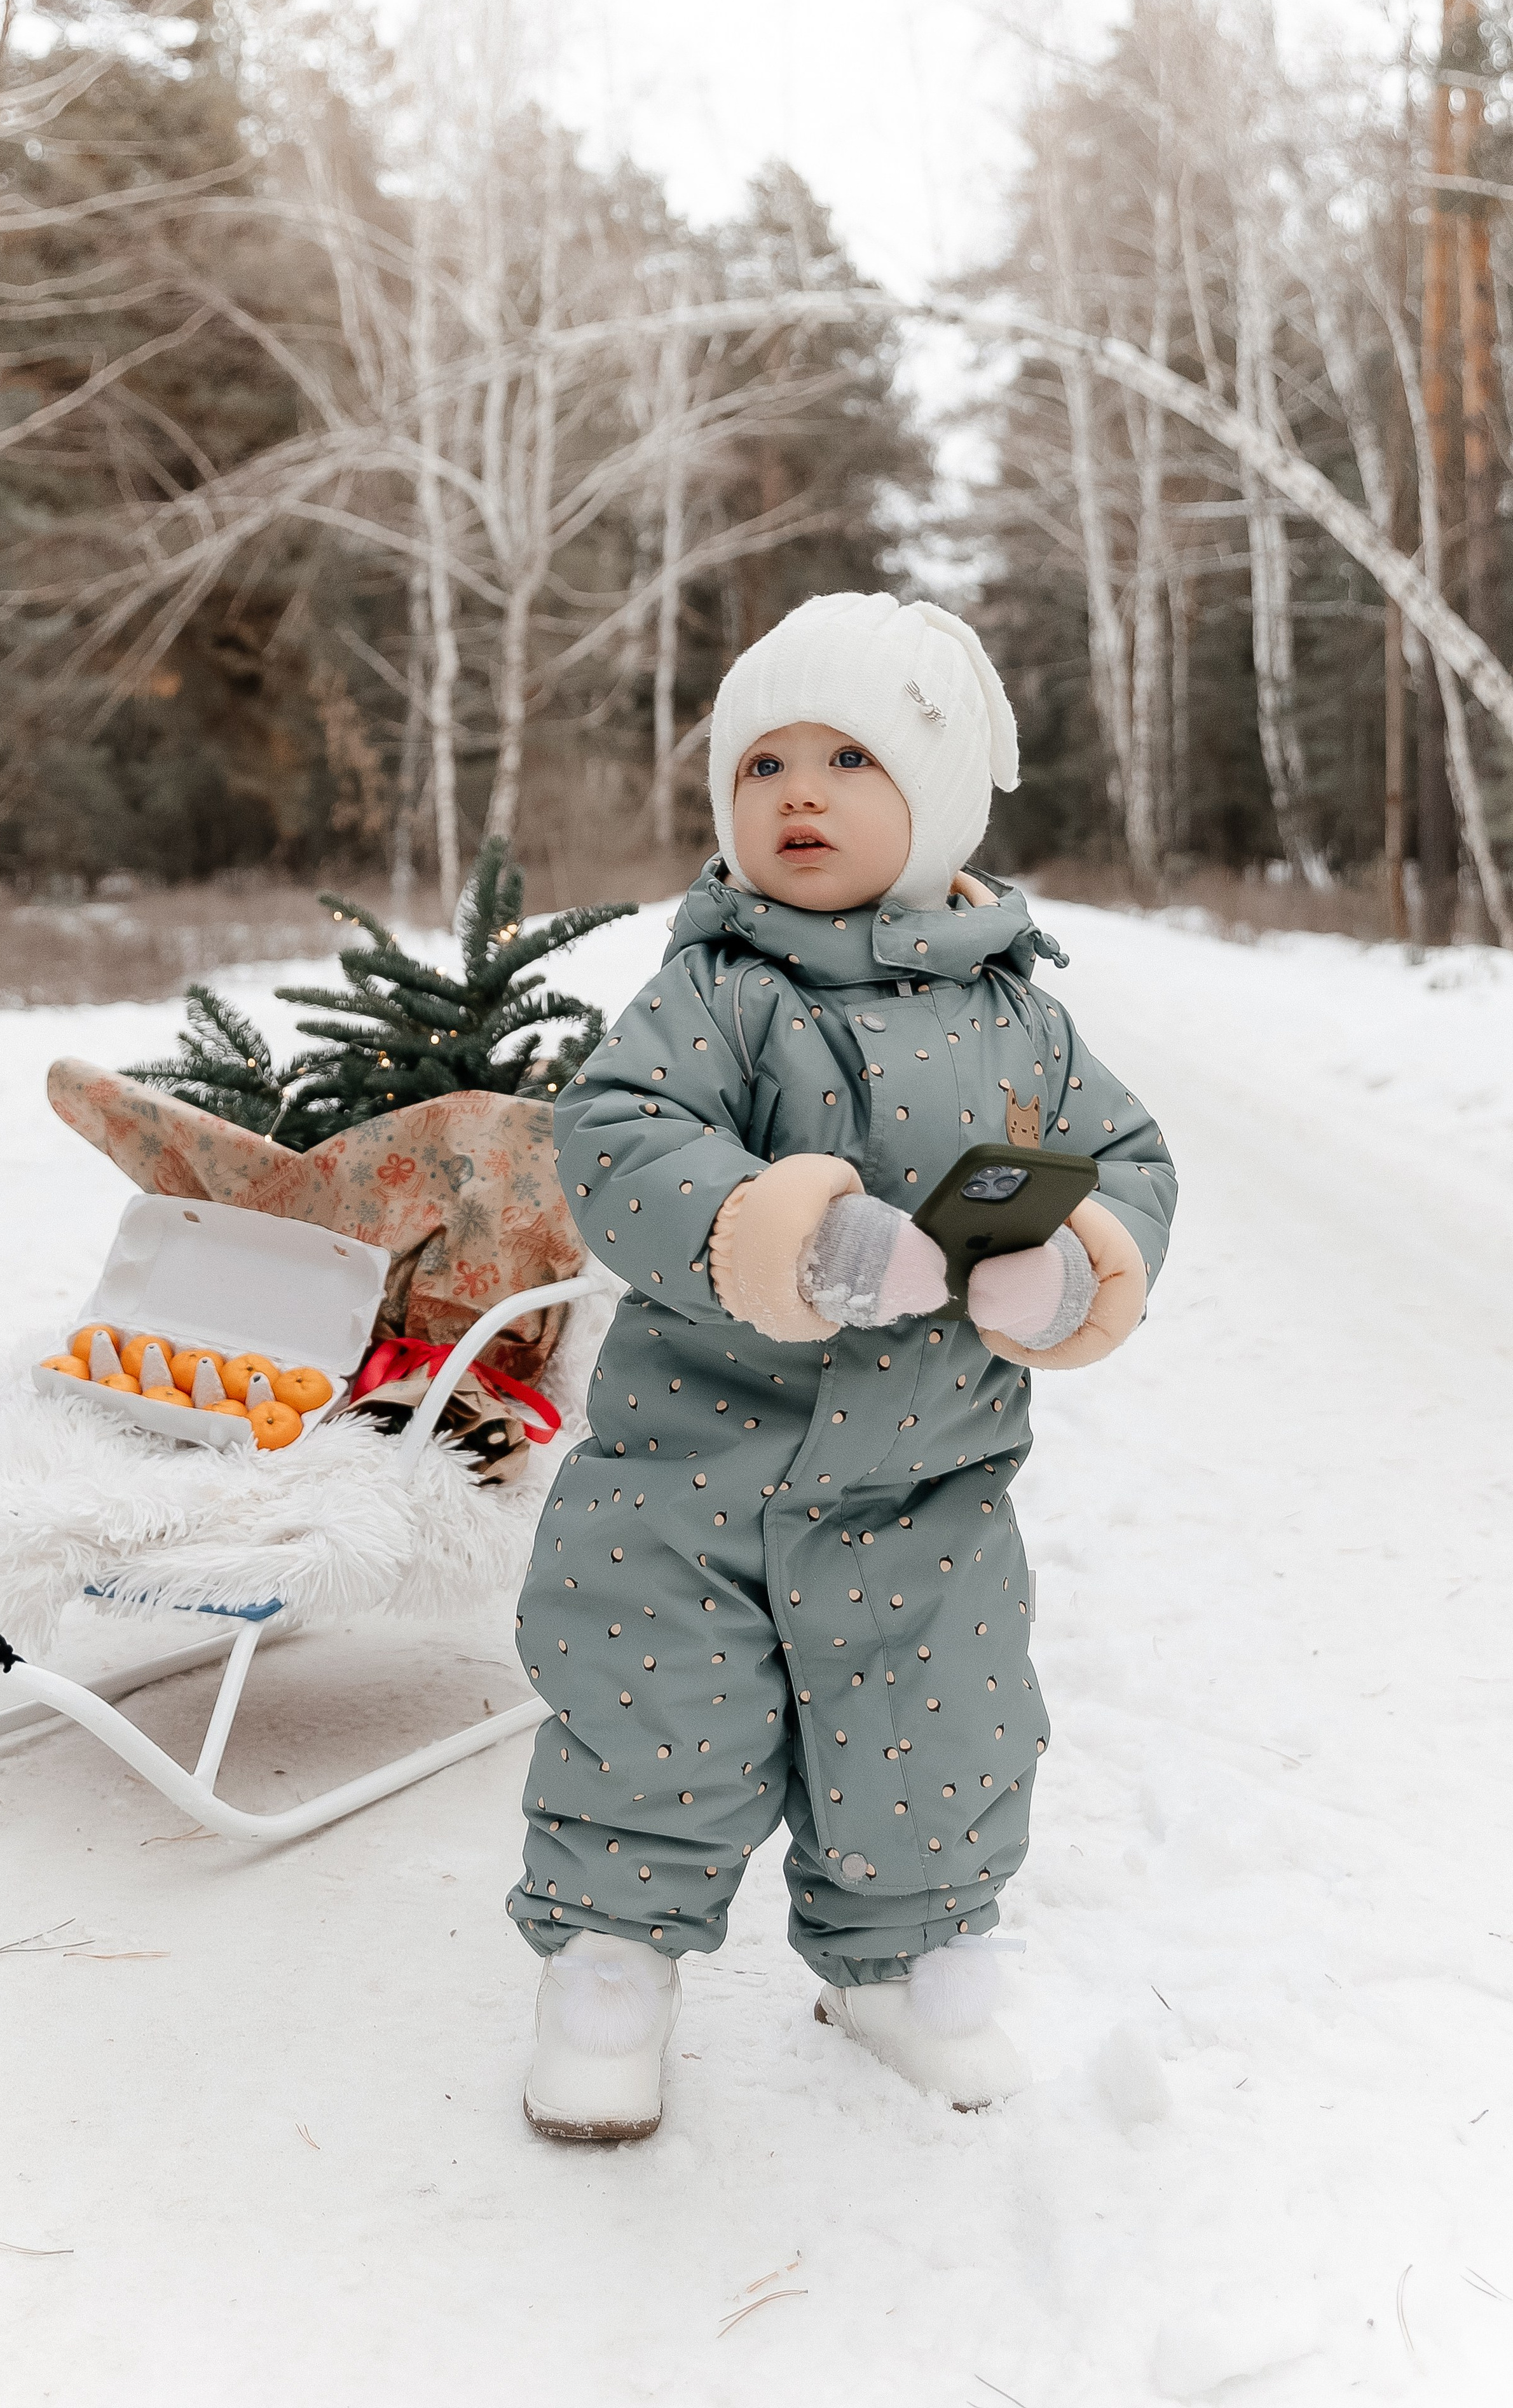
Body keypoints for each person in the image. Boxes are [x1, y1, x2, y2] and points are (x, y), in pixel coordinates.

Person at [508, 592, 1177, 2139]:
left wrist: (1069, 1265)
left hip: (926, 1478)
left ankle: (900, 1962)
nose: (795, 795)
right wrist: (784, 1233)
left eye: (847, 758)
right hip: (692, 1467)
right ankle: (608, 1971)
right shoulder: (716, 991)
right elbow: (614, 1141)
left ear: (936, 803)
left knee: (935, 1724)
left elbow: (1125, 1164)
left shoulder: (1029, 1024)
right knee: (647, 1709)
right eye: (760, 767)